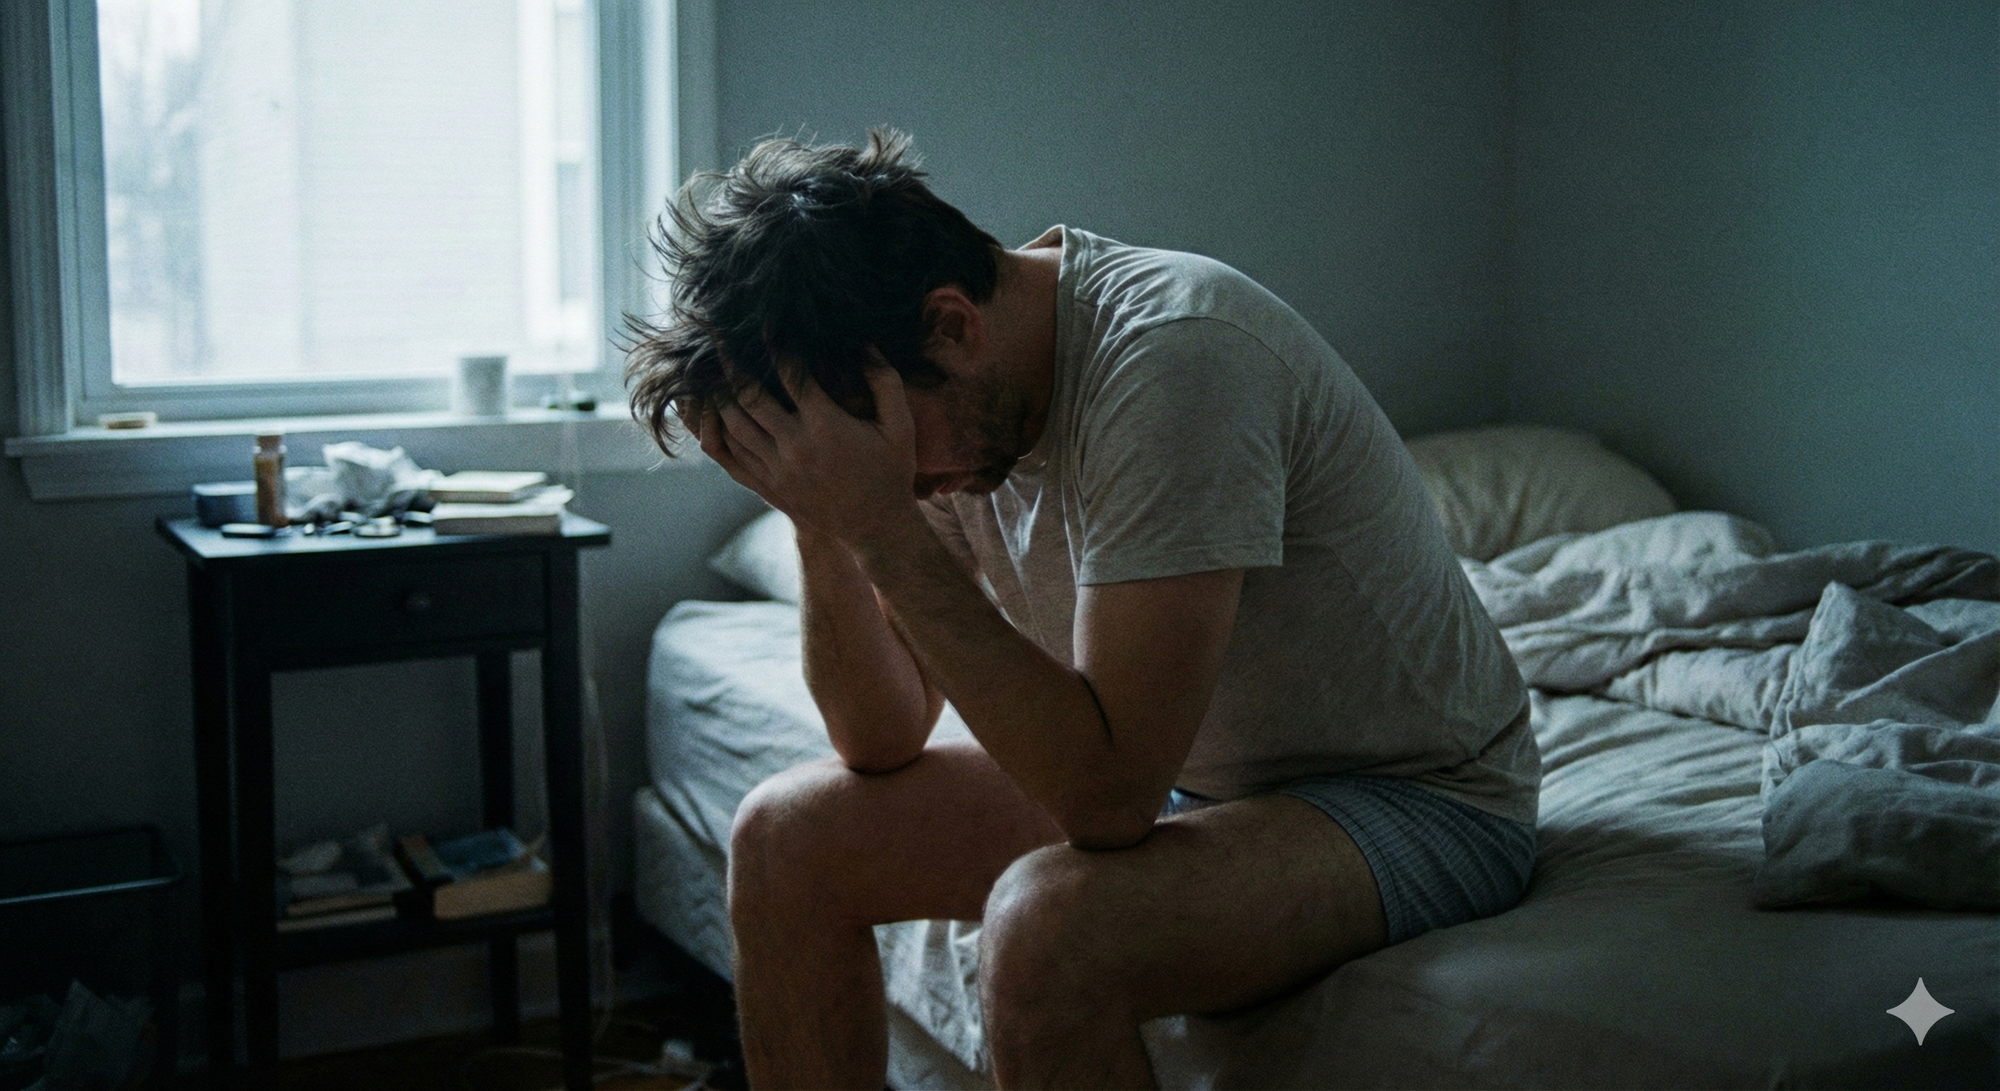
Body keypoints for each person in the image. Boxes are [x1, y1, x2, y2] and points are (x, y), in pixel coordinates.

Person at [625, 129, 1538, 1090]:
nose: (912, 487)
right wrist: (823, 514)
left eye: (894, 465)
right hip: (1197, 779)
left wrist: (884, 527)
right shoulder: (943, 403)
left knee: (1046, 928)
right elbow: (879, 734)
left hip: (1418, 797)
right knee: (783, 838)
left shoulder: (1173, 358)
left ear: (953, 325)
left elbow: (1108, 800)